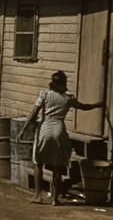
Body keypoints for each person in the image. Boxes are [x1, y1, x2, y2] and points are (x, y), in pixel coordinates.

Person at [17, 70, 104, 206]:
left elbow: (34, 112)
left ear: (52, 82)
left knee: (38, 162)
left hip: (45, 129)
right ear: (63, 83)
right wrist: (97, 105)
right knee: (57, 165)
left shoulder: (45, 94)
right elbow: (84, 107)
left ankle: (37, 195)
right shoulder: (68, 98)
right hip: (59, 130)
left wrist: (23, 129)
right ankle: (55, 199)